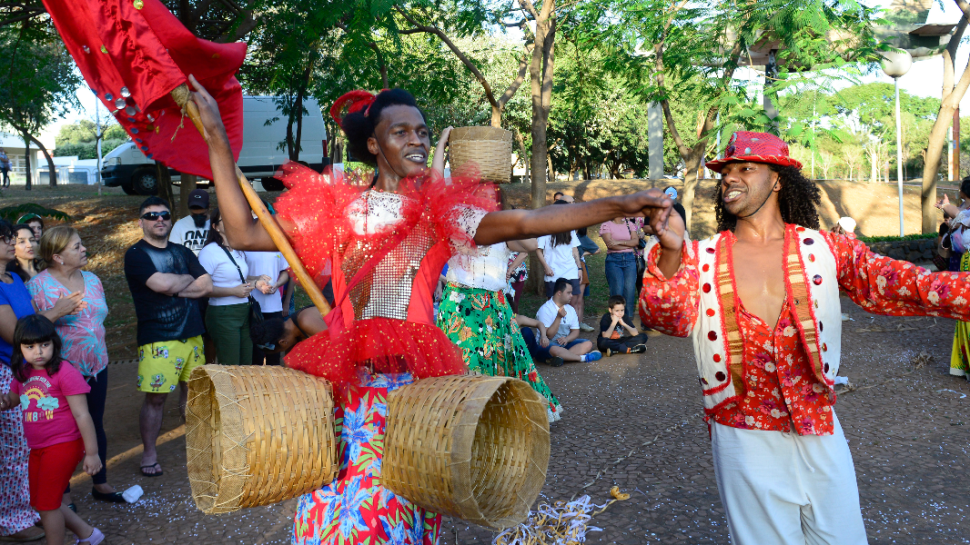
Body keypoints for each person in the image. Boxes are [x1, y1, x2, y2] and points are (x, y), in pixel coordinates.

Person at [191, 78, 671, 545]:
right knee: (337, 512)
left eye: (422, 131)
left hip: (411, 400)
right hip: (342, 394)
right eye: (401, 132)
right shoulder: (338, 209)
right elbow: (242, 233)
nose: (417, 140)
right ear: (375, 145)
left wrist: (620, 204)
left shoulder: (444, 213)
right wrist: (216, 140)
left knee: (400, 508)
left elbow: (528, 221)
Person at [639, 130, 970, 545]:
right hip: (742, 433)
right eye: (725, 172)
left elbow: (903, 283)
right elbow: (663, 318)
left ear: (778, 179)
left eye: (746, 168)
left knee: (844, 538)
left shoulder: (825, 249)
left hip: (818, 424)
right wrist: (670, 252)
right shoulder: (699, 258)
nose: (730, 179)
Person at [435, 196, 563, 422]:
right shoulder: (456, 230)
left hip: (494, 305)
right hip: (459, 303)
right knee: (465, 358)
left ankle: (493, 412)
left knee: (502, 355)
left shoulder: (504, 236)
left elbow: (532, 245)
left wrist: (520, 220)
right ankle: (460, 413)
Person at [0, 219, 83, 543]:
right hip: (5, 372)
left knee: (25, 445)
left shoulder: (14, 279)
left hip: (21, 371)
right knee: (12, 451)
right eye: (5, 238)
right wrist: (58, 310)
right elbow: (16, 334)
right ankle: (12, 519)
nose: (12, 242)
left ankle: (29, 509)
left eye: (11, 237)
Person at [27, 226, 123, 503]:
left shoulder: (92, 279)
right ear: (57, 256)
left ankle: (101, 483)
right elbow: (31, 331)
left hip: (97, 365)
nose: (84, 249)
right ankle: (63, 493)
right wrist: (56, 312)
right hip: (60, 372)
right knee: (63, 431)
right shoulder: (37, 287)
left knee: (95, 422)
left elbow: (99, 319)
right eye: (76, 247)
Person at [124, 196, 212, 477]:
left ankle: (197, 443)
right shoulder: (136, 254)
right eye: (151, 216)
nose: (159, 219)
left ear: (171, 220)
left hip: (193, 333)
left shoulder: (182, 251)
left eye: (163, 214)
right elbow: (159, 283)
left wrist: (173, 288)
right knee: (156, 399)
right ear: (141, 222)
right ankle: (149, 453)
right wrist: (182, 280)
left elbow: (207, 284)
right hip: (158, 337)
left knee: (193, 392)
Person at [2, 315, 104, 545]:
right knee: (42, 502)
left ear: (54, 344)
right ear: (20, 347)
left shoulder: (65, 372)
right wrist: (5, 400)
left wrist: (92, 452)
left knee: (47, 508)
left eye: (44, 345)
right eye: (30, 346)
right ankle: (89, 535)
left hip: (63, 445)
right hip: (37, 448)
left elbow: (82, 415)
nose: (38, 352)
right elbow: (15, 398)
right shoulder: (23, 372)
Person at [198, 208, 262, 366]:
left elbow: (236, 277)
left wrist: (256, 281)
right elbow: (202, 287)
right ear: (215, 227)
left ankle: (243, 392)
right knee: (231, 365)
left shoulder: (237, 249)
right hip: (223, 313)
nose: (229, 222)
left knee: (246, 363)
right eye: (223, 220)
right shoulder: (209, 252)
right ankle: (225, 391)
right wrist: (233, 292)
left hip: (245, 311)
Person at [521, 278, 600, 366]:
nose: (571, 296)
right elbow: (549, 335)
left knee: (588, 344)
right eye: (568, 293)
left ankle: (561, 358)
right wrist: (558, 318)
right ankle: (582, 358)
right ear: (559, 293)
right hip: (547, 346)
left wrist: (567, 339)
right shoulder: (545, 309)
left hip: (564, 345)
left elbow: (576, 331)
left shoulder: (570, 309)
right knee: (555, 349)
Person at [936, 181, 970, 379]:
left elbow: (958, 214)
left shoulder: (964, 214)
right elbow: (958, 213)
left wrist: (944, 206)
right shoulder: (964, 212)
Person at [245, 246, 289, 365]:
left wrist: (277, 284)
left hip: (274, 306)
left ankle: (272, 382)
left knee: (274, 349)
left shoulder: (276, 246)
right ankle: (256, 382)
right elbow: (240, 275)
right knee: (256, 352)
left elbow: (285, 271)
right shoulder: (246, 247)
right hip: (253, 305)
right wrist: (256, 282)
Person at [599, 217, 643, 325]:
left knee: (629, 291)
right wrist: (628, 243)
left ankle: (627, 321)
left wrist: (619, 242)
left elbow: (635, 242)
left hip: (630, 259)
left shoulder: (629, 224)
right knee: (617, 291)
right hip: (614, 260)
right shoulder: (606, 224)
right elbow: (610, 244)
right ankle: (616, 322)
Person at [168, 188, 211, 256]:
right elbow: (174, 252)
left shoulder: (217, 224)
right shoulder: (179, 225)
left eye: (202, 214)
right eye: (194, 215)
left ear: (209, 206)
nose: (198, 217)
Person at [576, 226, 600, 332]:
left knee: (579, 299)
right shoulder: (563, 236)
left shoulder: (581, 237)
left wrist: (582, 254)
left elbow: (597, 249)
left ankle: (579, 323)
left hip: (580, 268)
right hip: (565, 268)